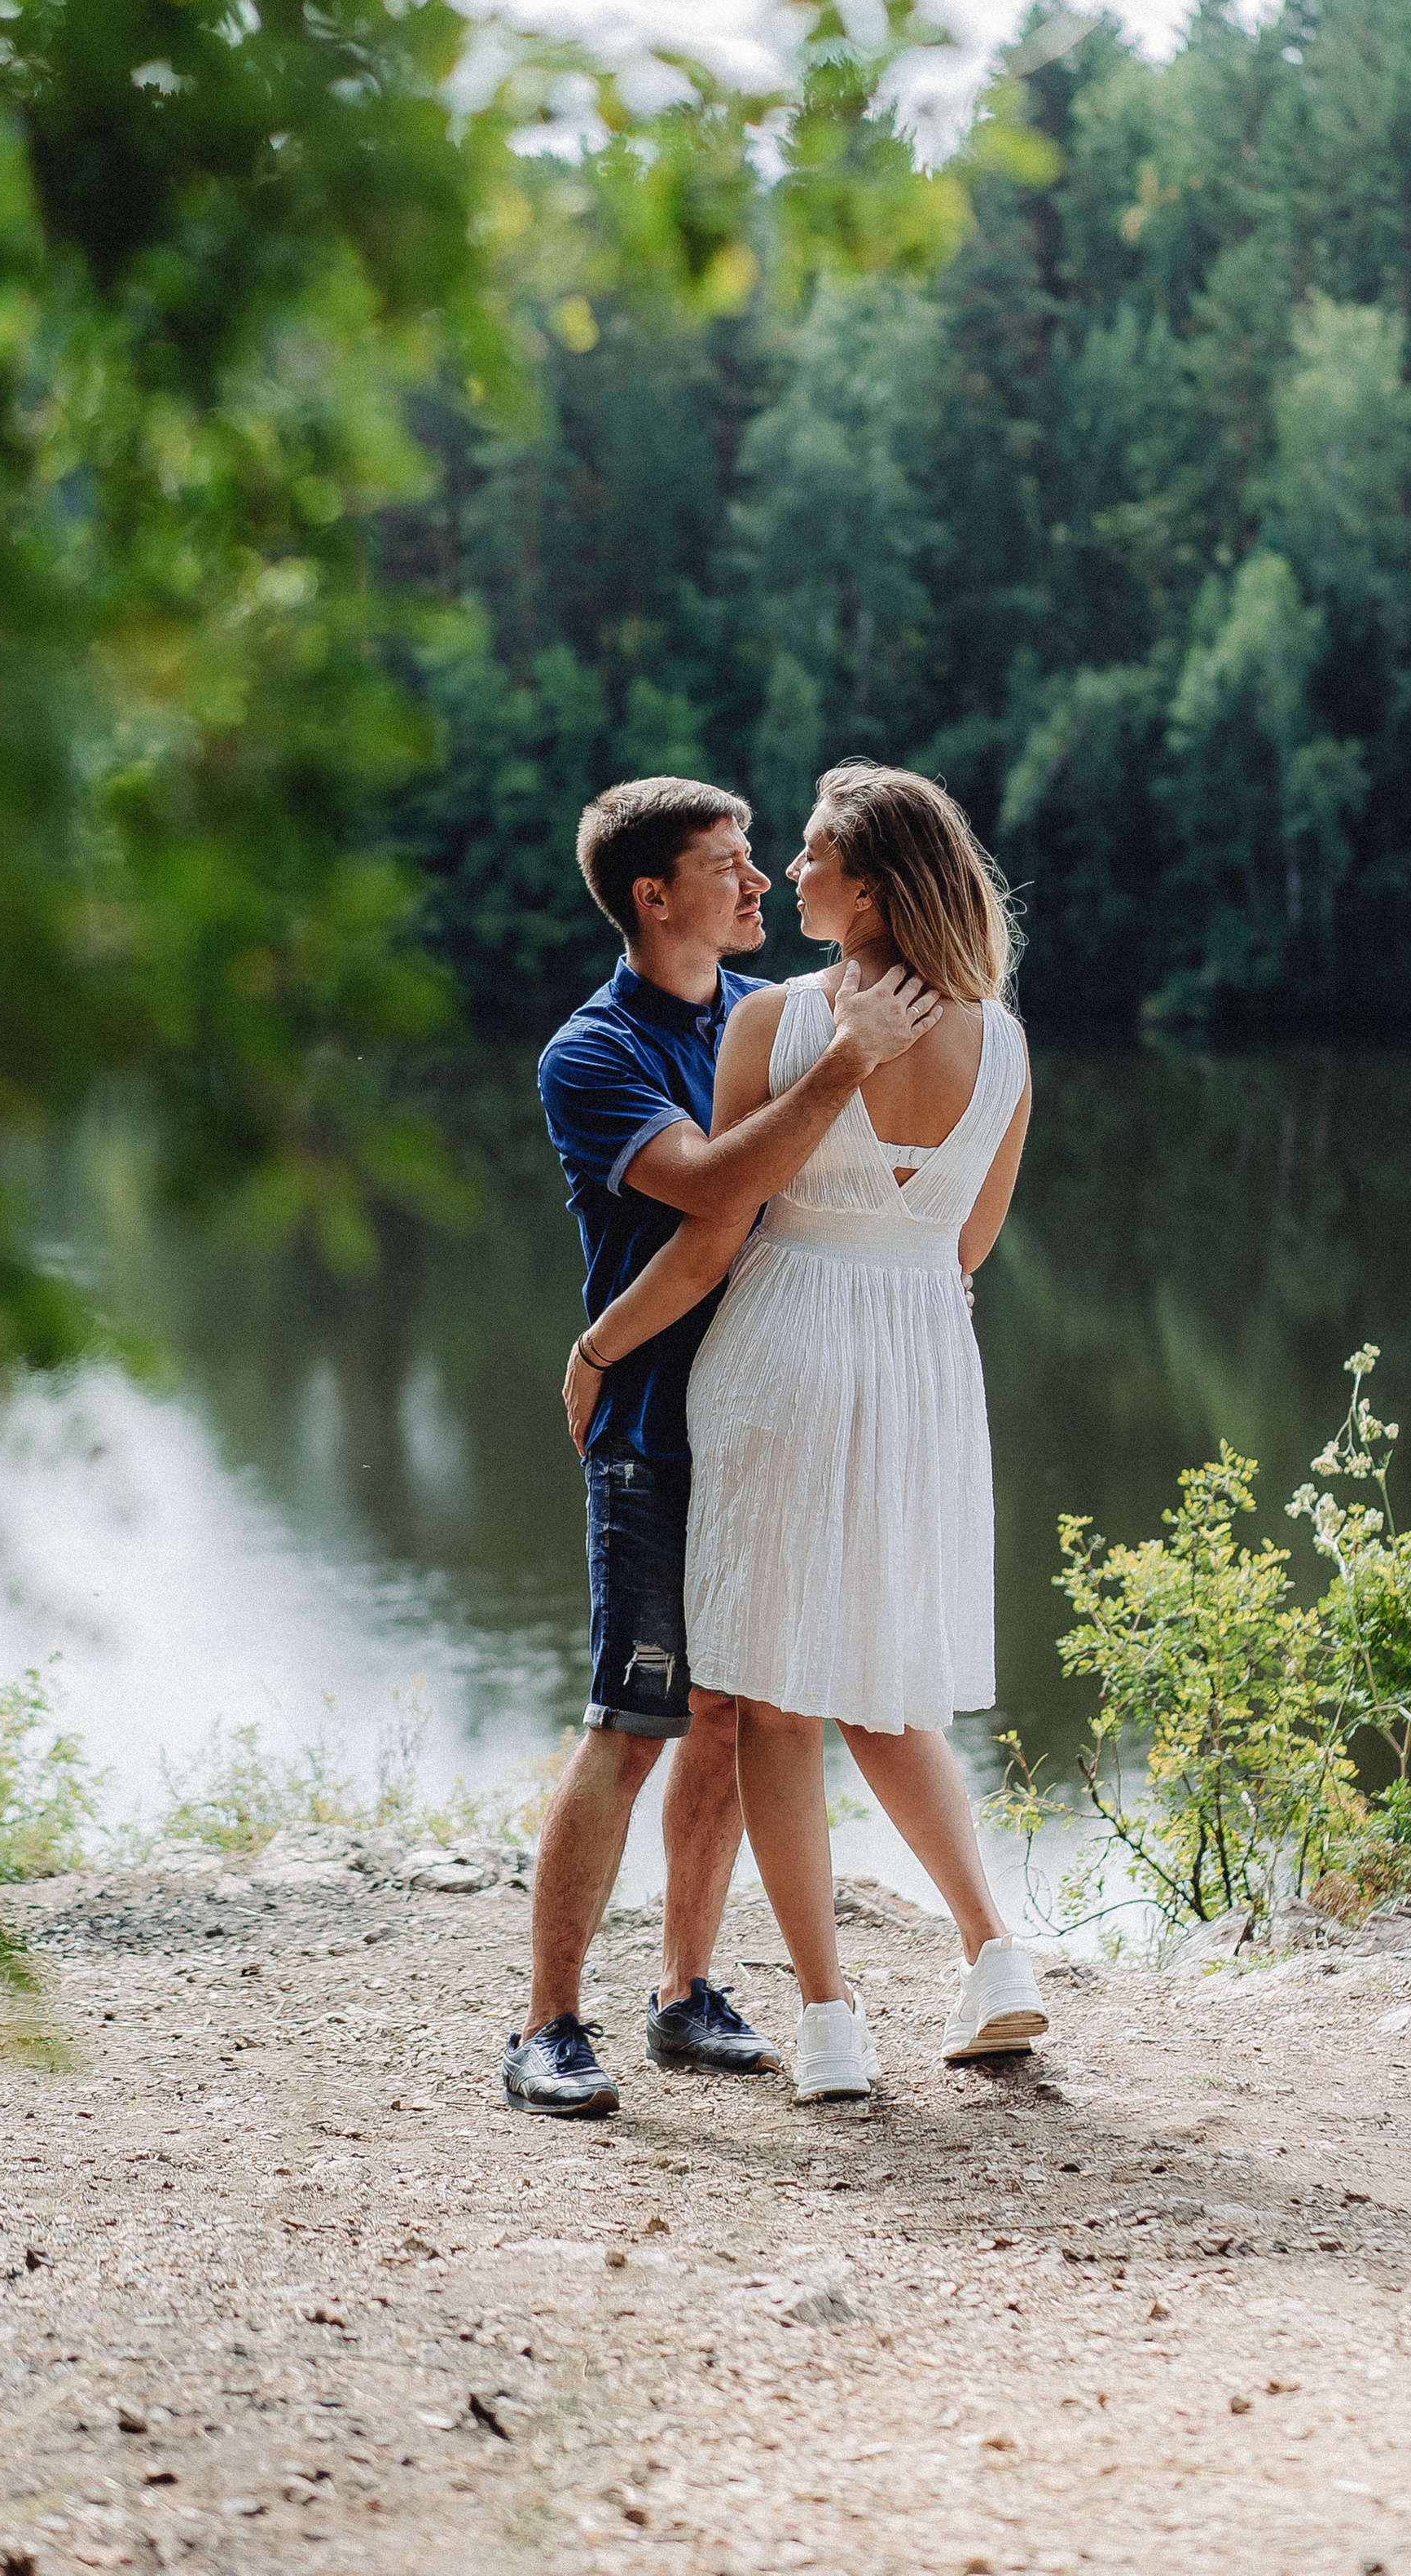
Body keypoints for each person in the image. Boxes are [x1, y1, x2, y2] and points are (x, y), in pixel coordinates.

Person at [563, 763, 1044, 2099]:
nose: (790, 871)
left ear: (871, 887)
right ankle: (996, 1954)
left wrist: (598, 1347)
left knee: (775, 1706)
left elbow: (717, 1232)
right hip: (921, 1365)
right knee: (888, 1687)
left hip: (778, 1359)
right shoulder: (1003, 1043)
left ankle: (831, 2025)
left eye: (816, 852)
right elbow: (970, 1245)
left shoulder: (774, 1020)